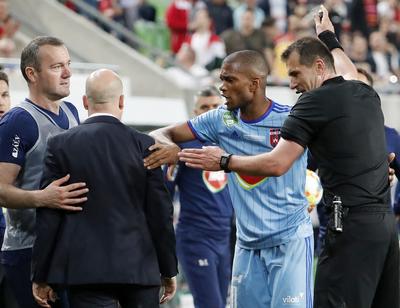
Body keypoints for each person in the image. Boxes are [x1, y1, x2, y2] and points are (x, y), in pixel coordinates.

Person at [178, 6, 399, 308]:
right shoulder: (363, 90)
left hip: (348, 228)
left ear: (320, 67)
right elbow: (346, 67)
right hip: (384, 228)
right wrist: (329, 37)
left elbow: (277, 163)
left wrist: (224, 161)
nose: (291, 84)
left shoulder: (310, 105)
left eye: (295, 73)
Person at [144, 50, 314, 308]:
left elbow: (277, 165)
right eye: (221, 79)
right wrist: (172, 148)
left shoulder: (291, 119)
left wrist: (224, 161)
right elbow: (159, 133)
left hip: (289, 241)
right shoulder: (220, 119)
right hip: (246, 245)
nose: (222, 87)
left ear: (254, 84)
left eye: (229, 80)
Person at [31, 69, 178, 308]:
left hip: (84, 271)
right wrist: (168, 268)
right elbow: (161, 213)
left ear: (85, 102)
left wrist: (41, 274)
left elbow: (49, 213)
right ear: (121, 101)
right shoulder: (146, 145)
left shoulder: (59, 145)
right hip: (139, 269)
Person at [0, 36, 88, 308]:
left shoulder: (72, 112)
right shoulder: (18, 121)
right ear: (32, 73)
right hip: (29, 250)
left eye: (69, 64)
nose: (68, 73)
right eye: (57, 66)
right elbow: (1, 189)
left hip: (70, 247)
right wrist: (43, 198)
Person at [165, 86, 233, 308]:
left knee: (222, 303)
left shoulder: (232, 143)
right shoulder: (182, 147)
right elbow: (165, 193)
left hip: (226, 237)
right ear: (194, 112)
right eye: (204, 107)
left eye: (215, 106)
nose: (210, 111)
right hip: (196, 238)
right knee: (210, 304)